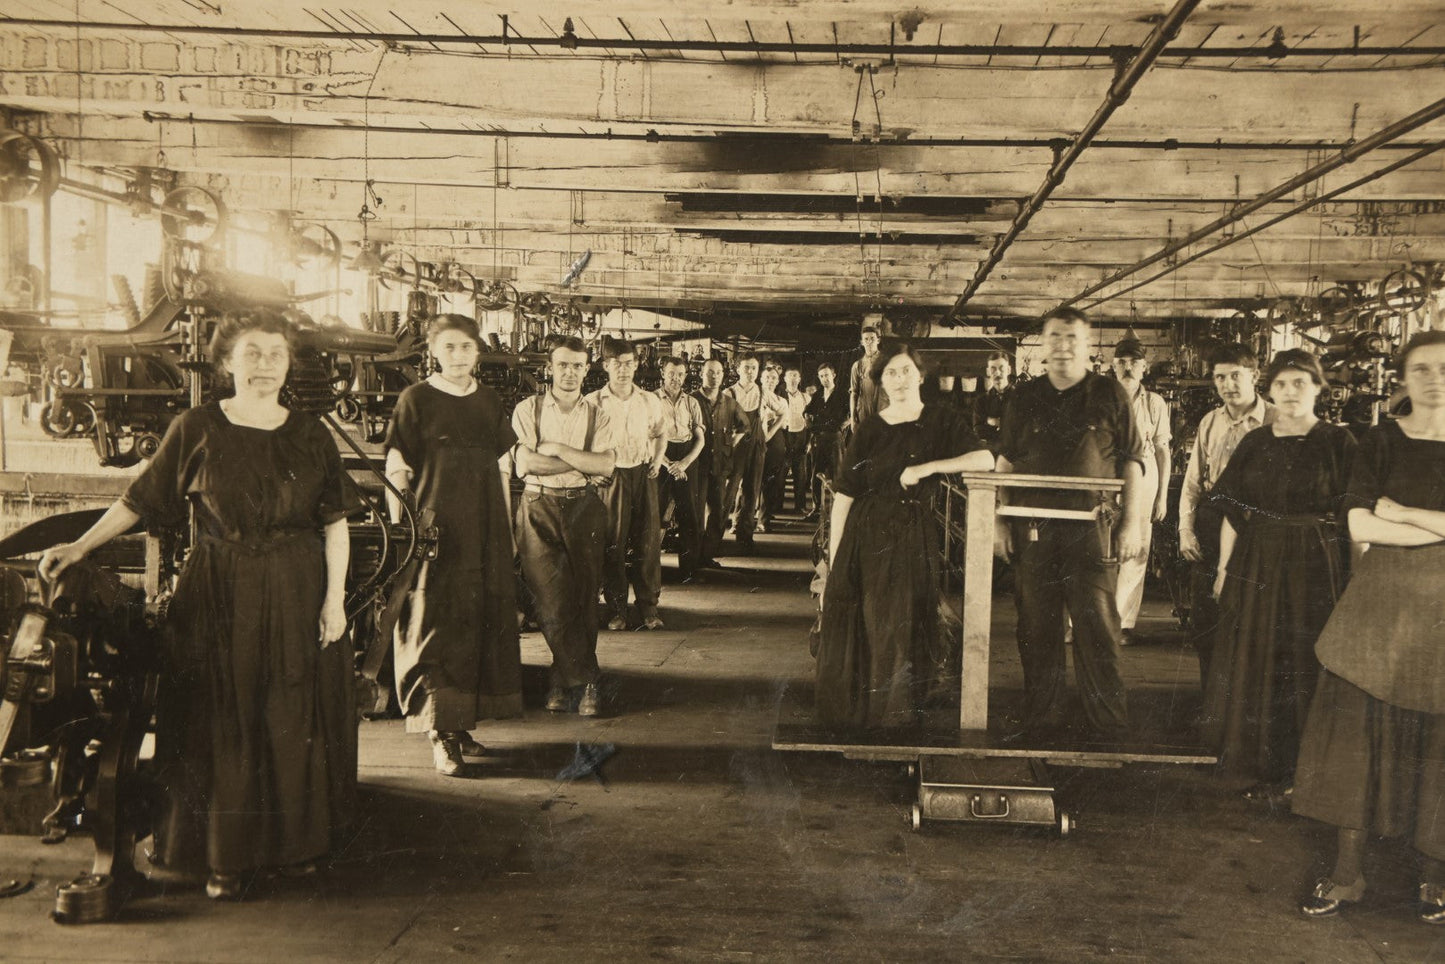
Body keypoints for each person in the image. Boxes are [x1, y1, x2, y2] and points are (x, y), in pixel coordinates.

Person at [38, 310, 354, 900]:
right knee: (220, 714)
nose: (264, 366)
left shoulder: (311, 434)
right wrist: (79, 546)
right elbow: (139, 499)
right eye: (252, 353)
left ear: (289, 365)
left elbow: (335, 524)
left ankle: (290, 850)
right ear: (227, 362)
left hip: (295, 586)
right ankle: (222, 859)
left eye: (276, 355)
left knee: (288, 714)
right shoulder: (196, 426)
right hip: (219, 588)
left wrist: (333, 602)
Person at [1292, 331, 1445, 924]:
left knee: (1440, 746)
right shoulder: (1380, 440)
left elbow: (1384, 517)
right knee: (1351, 743)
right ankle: (1346, 873)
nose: (1435, 378)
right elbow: (1360, 524)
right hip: (1379, 608)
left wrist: (1403, 512)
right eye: (1422, 368)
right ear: (1402, 378)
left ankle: (1436, 878)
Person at [1200, 349, 1355, 798]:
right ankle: (1259, 766)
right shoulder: (1255, 443)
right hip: (1259, 561)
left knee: (1307, 658)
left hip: (1316, 563)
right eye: (1282, 385)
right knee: (1258, 656)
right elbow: (1231, 511)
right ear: (1269, 390)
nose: (1290, 392)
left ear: (1318, 389)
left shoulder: (1338, 442)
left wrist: (1355, 577)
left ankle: (1307, 773)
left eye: (1301, 383)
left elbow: (1354, 514)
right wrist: (1224, 570)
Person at [816, 340, 993, 728]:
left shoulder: (940, 420)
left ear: (920, 375)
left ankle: (898, 718)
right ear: (880, 381)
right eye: (890, 373)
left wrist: (928, 468)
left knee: (908, 622)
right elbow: (844, 495)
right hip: (868, 537)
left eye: (906, 371)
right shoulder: (871, 428)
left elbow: (985, 458)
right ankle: (877, 721)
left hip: (913, 535)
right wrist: (834, 558)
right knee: (876, 623)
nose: (898, 379)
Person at [995, 307, 1149, 743]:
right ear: (1044, 344)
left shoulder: (1111, 394)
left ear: (1088, 346)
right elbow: (1004, 462)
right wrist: (1000, 521)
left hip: (1091, 529)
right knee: (1036, 626)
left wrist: (1132, 523)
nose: (1064, 347)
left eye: (1073, 339)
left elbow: (1133, 461)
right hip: (1033, 529)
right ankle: (1042, 723)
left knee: (1098, 625)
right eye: (1056, 337)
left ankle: (1107, 726)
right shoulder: (1023, 397)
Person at [383, 314, 521, 777]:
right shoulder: (415, 399)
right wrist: (403, 530)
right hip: (435, 533)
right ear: (433, 352)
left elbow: (502, 470)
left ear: (477, 352)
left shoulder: (487, 401)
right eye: (449, 348)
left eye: (466, 347)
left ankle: (459, 726)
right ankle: (439, 735)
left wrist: (506, 531)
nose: (458, 356)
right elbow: (397, 466)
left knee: (478, 622)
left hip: (485, 533)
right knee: (434, 625)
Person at [513, 336, 616, 717]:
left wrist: (555, 450)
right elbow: (526, 465)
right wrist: (582, 463)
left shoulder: (599, 414)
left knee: (585, 598)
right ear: (549, 368)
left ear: (586, 370)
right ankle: (588, 679)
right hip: (538, 506)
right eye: (562, 365)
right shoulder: (528, 408)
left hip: (583, 509)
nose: (569, 373)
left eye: (577, 366)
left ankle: (562, 678)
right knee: (551, 600)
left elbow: (607, 466)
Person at [1177, 344, 1274, 682]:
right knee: (1206, 618)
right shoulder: (1210, 421)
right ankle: (1211, 703)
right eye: (1220, 377)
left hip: (1256, 526)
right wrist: (1185, 529)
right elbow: (1192, 483)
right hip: (1211, 520)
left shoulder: (1275, 421)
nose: (1228, 384)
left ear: (1255, 376)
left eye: (1236, 376)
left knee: (1250, 616)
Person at [587, 337, 667, 631]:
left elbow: (661, 433)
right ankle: (618, 610)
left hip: (643, 475)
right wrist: (591, 473)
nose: (624, 369)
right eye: (617, 364)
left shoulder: (649, 400)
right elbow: (582, 444)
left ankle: (649, 609)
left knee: (647, 544)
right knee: (613, 545)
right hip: (611, 478)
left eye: (629, 364)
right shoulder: (592, 402)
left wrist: (658, 459)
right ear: (606, 366)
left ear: (636, 366)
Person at [1111, 335, 1172, 643]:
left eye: (1134, 362)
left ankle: (1122, 624)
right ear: (1112, 366)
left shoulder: (1155, 403)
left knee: (1137, 550)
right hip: (1107, 479)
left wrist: (1161, 495)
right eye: (1121, 362)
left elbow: (1163, 450)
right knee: (1097, 548)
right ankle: (1082, 622)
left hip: (1145, 480)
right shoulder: (1102, 397)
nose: (1127, 368)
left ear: (1144, 368)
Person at [655, 355, 707, 581]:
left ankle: (689, 570)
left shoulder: (691, 402)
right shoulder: (651, 400)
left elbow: (700, 439)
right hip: (659, 457)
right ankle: (651, 571)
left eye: (680, 374)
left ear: (685, 376)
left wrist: (684, 464)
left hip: (686, 458)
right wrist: (667, 465)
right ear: (663, 374)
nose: (675, 378)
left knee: (690, 515)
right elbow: (648, 438)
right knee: (654, 515)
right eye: (671, 373)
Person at [693, 357, 742, 566]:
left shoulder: (730, 403)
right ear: (701, 374)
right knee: (695, 512)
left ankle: (707, 555)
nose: (714, 376)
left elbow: (744, 426)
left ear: (723, 375)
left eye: (719, 372)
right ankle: (693, 557)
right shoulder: (691, 400)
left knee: (718, 510)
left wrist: (731, 442)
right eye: (710, 372)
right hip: (696, 465)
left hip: (720, 465)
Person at [722, 354, 765, 552]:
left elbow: (783, 412)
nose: (750, 372)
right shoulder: (729, 393)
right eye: (746, 368)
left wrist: (768, 434)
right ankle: (714, 537)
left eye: (754, 368)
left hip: (756, 447)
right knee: (728, 492)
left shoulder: (764, 392)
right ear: (738, 369)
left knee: (751, 491)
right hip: (735, 448)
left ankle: (745, 536)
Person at [805, 361, 848, 520]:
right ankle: (817, 509)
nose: (825, 379)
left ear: (834, 375)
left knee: (837, 474)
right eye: (822, 376)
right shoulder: (818, 395)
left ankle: (838, 510)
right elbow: (807, 412)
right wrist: (808, 421)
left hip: (834, 439)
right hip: (818, 439)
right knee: (816, 475)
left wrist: (844, 425)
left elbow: (853, 412)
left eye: (827, 375)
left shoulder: (843, 394)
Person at [757, 362, 790, 533]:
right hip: (756, 438)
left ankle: (763, 519)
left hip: (775, 439)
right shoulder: (756, 395)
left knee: (770, 480)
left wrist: (769, 432)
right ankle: (739, 520)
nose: (770, 380)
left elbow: (783, 423)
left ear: (778, 381)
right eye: (767, 377)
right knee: (749, 480)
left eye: (774, 378)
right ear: (761, 379)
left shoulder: (782, 401)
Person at [779, 364, 813, 514]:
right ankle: (776, 507)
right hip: (784, 436)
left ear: (799, 379)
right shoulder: (779, 396)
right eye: (790, 376)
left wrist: (809, 441)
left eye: (795, 376)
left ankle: (800, 507)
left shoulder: (806, 397)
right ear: (785, 378)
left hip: (801, 436)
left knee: (800, 475)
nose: (792, 379)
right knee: (780, 474)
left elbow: (811, 421)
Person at [848, 324, 888, 426]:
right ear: (862, 342)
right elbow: (854, 393)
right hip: (864, 414)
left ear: (878, 340)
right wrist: (853, 419)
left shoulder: (887, 362)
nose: (869, 342)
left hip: (884, 413)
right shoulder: (857, 366)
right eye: (866, 339)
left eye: (872, 339)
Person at [973, 351, 1012, 447]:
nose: (997, 373)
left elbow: (1025, 429)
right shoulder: (981, 401)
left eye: (1001, 369)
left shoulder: (1021, 396)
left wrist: (992, 422)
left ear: (1009, 370)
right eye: (993, 369)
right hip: (992, 450)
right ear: (988, 372)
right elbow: (978, 431)